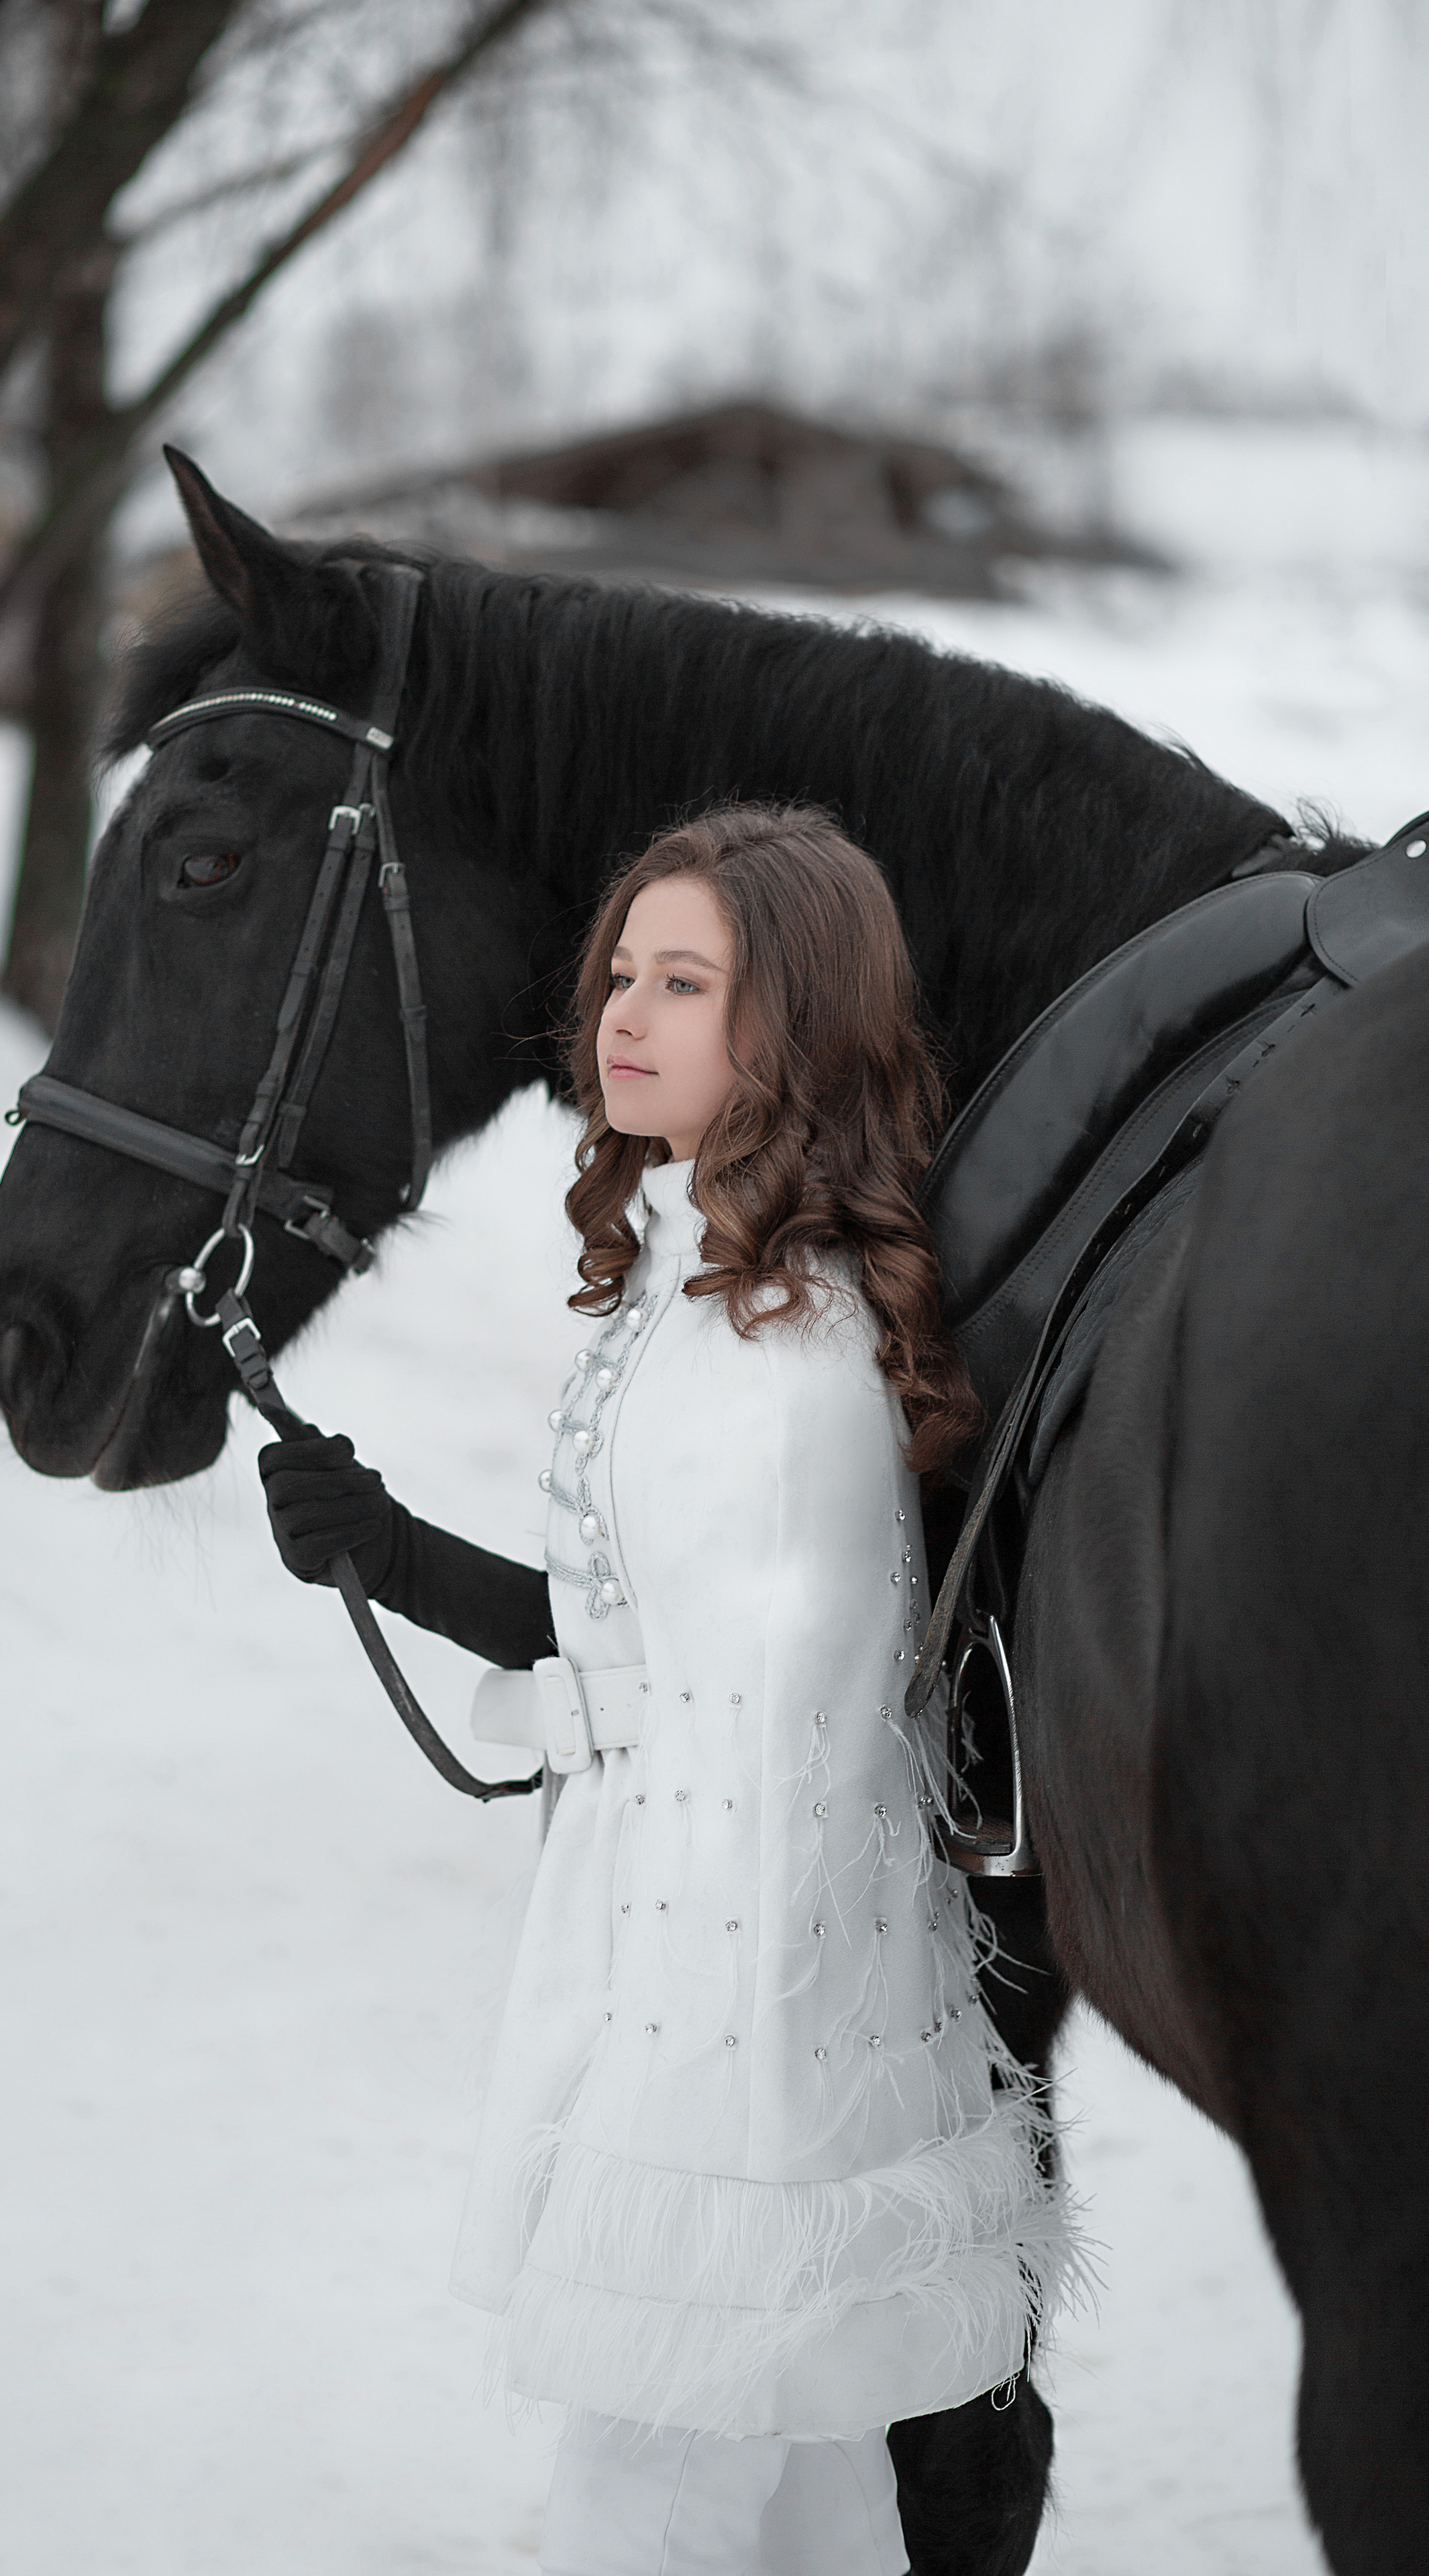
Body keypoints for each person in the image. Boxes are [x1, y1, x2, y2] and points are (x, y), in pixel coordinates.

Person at [258, 804, 1072, 2576]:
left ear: (788, 1025)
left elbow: (760, 1762)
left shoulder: (780, 1352)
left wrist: (714, 2153)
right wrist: (390, 1551)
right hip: (717, 2005)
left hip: (726, 2023)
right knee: (805, 2482)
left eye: (684, 981)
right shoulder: (720, 1298)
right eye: (621, 971)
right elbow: (649, 1651)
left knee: (658, 2486)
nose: (622, 1012)